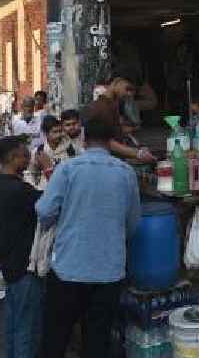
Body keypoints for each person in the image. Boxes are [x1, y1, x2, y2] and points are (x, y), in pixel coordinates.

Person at [36, 108, 141, 358]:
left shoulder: (68, 170)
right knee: (97, 341)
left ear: (84, 139)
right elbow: (133, 223)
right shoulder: (126, 173)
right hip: (108, 271)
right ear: (110, 142)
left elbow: (44, 211)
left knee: (55, 339)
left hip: (68, 269)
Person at [0, 136, 43, 358]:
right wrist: (49, 170)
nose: (29, 158)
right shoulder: (21, 191)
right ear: (13, 158)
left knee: (13, 324)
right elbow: (51, 202)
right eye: (25, 155)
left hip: (10, 265)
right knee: (26, 328)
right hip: (24, 266)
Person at [88, 76, 157, 165]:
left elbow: (115, 131)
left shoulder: (114, 104)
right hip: (107, 163)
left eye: (133, 91)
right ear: (117, 82)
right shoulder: (101, 107)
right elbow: (106, 141)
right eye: (127, 89)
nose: (129, 94)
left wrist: (138, 149)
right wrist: (137, 153)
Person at [31, 116, 72, 189]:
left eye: (60, 131)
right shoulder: (38, 152)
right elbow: (32, 175)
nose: (59, 135)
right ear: (46, 133)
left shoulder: (71, 149)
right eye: (55, 132)